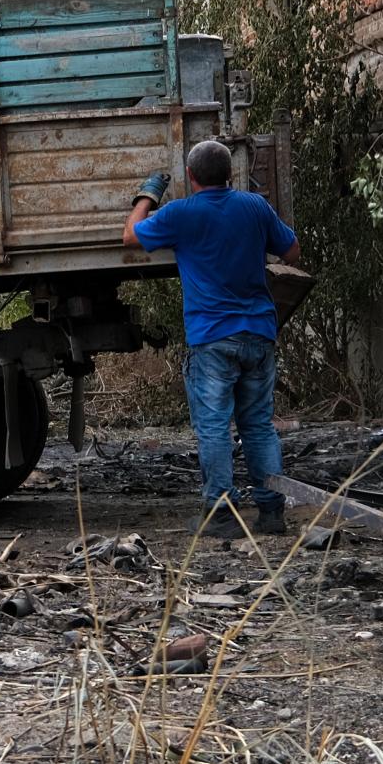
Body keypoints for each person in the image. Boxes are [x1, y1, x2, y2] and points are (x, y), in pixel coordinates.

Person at [123, 138, 301, 535]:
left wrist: (146, 196)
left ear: (190, 176)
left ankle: (222, 514)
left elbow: (131, 238)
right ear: (231, 174)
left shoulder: (181, 214)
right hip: (258, 331)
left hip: (212, 338)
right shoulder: (254, 206)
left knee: (215, 428)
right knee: (258, 425)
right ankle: (272, 513)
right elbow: (292, 253)